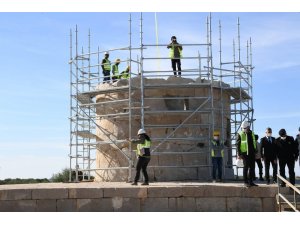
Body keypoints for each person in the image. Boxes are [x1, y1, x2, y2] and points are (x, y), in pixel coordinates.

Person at [236, 121, 258, 187]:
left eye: (245, 128)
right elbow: (238, 145)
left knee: (252, 168)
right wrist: (239, 154)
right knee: (245, 167)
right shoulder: (240, 134)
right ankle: (245, 182)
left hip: (252, 153)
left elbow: (254, 143)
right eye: (243, 128)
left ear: (248, 127)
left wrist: (255, 151)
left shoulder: (252, 133)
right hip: (244, 154)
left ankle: (251, 182)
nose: (244, 129)